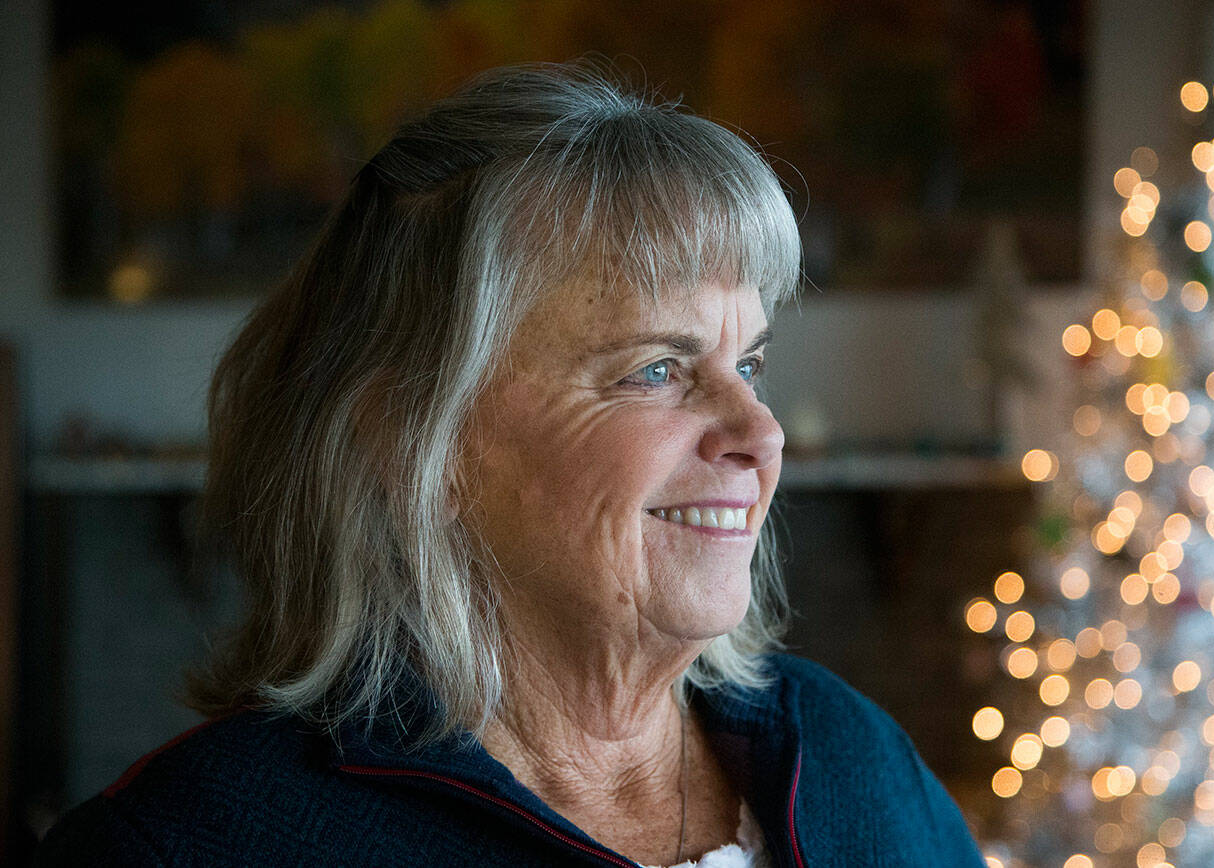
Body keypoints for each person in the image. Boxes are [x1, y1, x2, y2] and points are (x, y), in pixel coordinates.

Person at [36, 62, 984, 867]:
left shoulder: (849, 756)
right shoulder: (197, 841)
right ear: (415, 440)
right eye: (656, 369)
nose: (761, 433)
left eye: (750, 365)